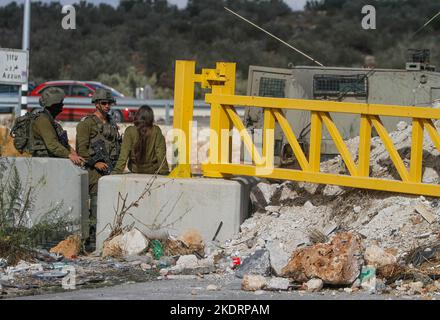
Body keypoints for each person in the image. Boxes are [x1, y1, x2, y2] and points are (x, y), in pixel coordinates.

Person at [76, 88, 122, 245]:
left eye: (110, 103)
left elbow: (117, 145)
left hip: (111, 170)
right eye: (104, 103)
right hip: (94, 171)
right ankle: (92, 240)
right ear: (96, 104)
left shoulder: (112, 123)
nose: (108, 106)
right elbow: (81, 149)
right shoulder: (87, 124)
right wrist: (95, 163)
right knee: (95, 206)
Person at [30, 87, 83, 164]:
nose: (62, 105)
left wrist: (73, 152)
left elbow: (62, 143)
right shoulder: (42, 120)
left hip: (50, 160)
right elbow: (52, 144)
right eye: (60, 103)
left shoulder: (53, 122)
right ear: (53, 105)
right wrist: (69, 155)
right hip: (42, 162)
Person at [113, 105, 169, 175]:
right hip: (152, 170)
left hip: (135, 169)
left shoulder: (129, 131)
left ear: (138, 116)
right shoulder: (156, 130)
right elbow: (160, 154)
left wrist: (116, 172)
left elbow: (123, 156)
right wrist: (165, 171)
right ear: (151, 118)